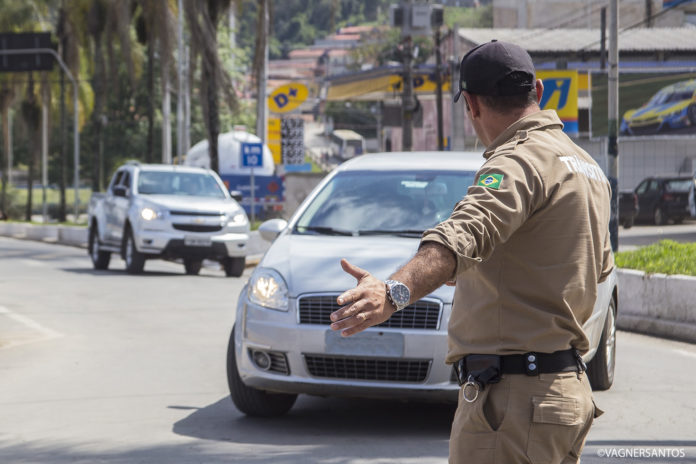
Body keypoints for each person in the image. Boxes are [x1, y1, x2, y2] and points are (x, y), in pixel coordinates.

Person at [329, 40, 614, 464]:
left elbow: (461, 233)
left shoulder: (516, 161)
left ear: (472, 105)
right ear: (537, 90)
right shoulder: (587, 167)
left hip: (513, 403)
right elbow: (590, 266)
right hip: (564, 394)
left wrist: (392, 293)